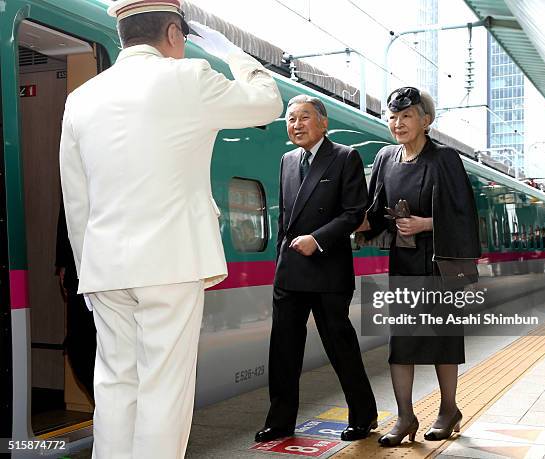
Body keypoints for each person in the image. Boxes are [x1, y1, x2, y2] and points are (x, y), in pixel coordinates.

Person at [59, 0, 282, 457]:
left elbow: (76, 198)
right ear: (176, 34)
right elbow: (268, 102)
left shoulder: (80, 98)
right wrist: (233, 54)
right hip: (171, 262)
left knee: (117, 384)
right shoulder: (189, 78)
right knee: (164, 387)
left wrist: (90, 267)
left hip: (104, 267)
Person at [358, 87, 480, 446]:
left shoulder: (445, 158)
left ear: (426, 121)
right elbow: (376, 208)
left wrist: (426, 223)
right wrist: (350, 223)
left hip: (439, 263)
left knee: (442, 340)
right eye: (393, 117)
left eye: (406, 116)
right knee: (402, 343)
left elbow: (463, 214)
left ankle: (448, 409)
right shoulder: (385, 157)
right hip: (404, 262)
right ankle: (405, 417)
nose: (398, 123)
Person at [255, 95, 378, 443]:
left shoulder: (344, 157)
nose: (296, 124)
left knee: (340, 346)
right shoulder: (287, 160)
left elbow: (355, 212)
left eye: (304, 117)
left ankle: (363, 416)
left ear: (323, 122)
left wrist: (317, 239)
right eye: (290, 119)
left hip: (328, 269)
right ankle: (280, 422)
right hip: (291, 269)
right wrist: (280, 259)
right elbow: (284, 220)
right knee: (282, 349)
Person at [55, 199, 96, 402]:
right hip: (78, 267)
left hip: (116, 266)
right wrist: (63, 262)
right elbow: (69, 204)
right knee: (79, 350)